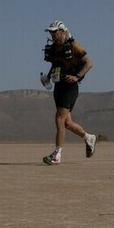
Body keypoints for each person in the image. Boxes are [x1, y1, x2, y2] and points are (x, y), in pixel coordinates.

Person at [40, 20, 96, 165]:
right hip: (59, 86)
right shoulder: (54, 49)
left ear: (62, 31)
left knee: (59, 118)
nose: (52, 35)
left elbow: (88, 63)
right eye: (51, 33)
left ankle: (57, 154)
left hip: (70, 88)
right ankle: (88, 138)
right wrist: (47, 78)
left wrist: (77, 76)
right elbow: (55, 66)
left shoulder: (74, 46)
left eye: (55, 32)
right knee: (67, 123)